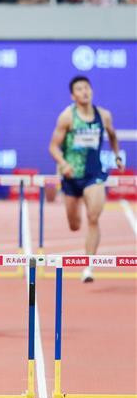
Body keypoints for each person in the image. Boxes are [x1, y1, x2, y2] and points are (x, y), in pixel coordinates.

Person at [49, 75, 124, 282]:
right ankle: (76, 215)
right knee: (74, 224)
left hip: (94, 174)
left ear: (91, 91)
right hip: (72, 176)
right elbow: (53, 146)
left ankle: (88, 267)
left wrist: (117, 155)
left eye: (86, 88)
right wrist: (63, 163)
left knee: (93, 217)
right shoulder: (67, 117)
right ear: (73, 96)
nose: (84, 92)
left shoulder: (104, 115)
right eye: (79, 89)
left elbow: (113, 135)